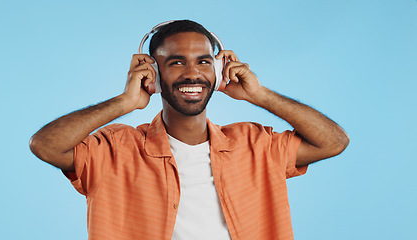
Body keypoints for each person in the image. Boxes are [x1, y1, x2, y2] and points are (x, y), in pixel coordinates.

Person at [30, 20, 349, 240]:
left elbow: (333, 142)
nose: (193, 73)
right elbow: (45, 145)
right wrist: (125, 102)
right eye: (177, 62)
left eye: (204, 62)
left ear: (219, 68)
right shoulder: (115, 150)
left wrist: (260, 95)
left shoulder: (256, 145)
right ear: (152, 71)